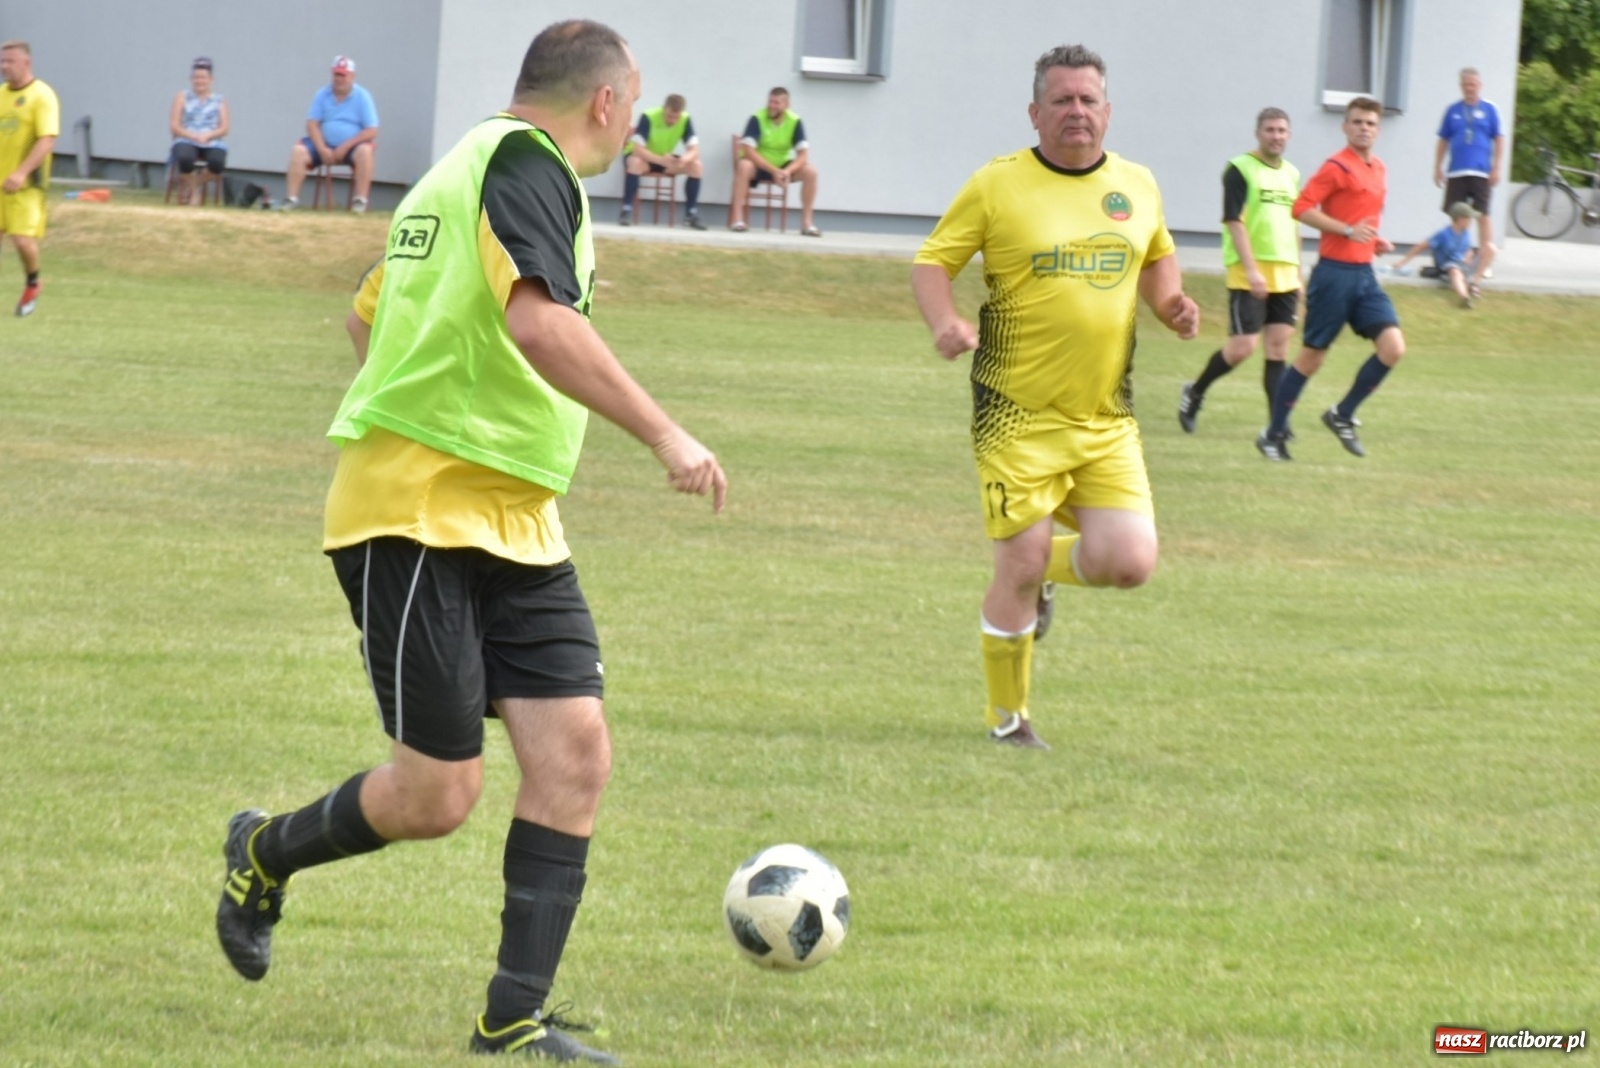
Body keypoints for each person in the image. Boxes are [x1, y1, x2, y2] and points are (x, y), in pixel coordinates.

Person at [214, 20, 727, 1064]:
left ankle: (513, 1021)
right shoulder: (525, 165)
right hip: (417, 515)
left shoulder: (456, 173)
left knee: (575, 755)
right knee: (436, 795)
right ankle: (261, 852)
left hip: (516, 519)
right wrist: (666, 432)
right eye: (632, 105)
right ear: (610, 101)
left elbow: (370, 315)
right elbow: (541, 323)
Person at [911, 45, 1199, 750]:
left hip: (1106, 419)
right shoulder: (998, 185)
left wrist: (1172, 304)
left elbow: (1156, 254)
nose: (1077, 112)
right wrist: (945, 321)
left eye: (1088, 100)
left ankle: (1045, 579)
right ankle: (1009, 721)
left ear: (1107, 110)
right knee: (1018, 560)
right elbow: (932, 261)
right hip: (1015, 415)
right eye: (1063, 100)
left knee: (1129, 562)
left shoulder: (1137, 184)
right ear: (1035, 111)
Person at [1260, 97, 1403, 462]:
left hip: (1365, 274)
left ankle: (1342, 413)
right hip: (1334, 275)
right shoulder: (1336, 166)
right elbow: (1301, 207)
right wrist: (1345, 230)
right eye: (1356, 122)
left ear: (1378, 128)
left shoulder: (1379, 168)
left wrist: (1375, 240)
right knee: (1311, 359)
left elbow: (1364, 219)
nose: (1363, 128)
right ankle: (1273, 434)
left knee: (1393, 347)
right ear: (1345, 127)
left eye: (1370, 123)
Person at [1178, 107, 1301, 435]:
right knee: (1242, 348)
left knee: (1278, 349)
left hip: (1285, 273)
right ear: (1258, 133)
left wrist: (1299, 273)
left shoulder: (1291, 173)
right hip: (1250, 272)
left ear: (1288, 135)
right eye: (1270, 130)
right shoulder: (1240, 170)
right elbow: (1233, 220)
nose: (1276, 136)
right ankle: (1195, 391)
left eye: (1282, 131)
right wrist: (1251, 270)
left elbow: (1294, 224)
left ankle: (1278, 425)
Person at [0, 40, 59, 318]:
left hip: (26, 186)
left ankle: (33, 283)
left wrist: (21, 172)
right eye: (2, 61)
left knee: (22, 241)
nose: (4, 66)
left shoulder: (42, 95)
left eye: (10, 61)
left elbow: (46, 140)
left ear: (26, 63)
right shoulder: (1, 94)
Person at [278, 55, 378, 212]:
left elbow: (372, 130)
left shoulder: (362, 96)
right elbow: (311, 124)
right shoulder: (322, 94)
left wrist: (345, 146)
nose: (339, 79)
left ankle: (360, 201)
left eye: (343, 75)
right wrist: (322, 148)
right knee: (298, 151)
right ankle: (291, 199)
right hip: (323, 144)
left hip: (352, 147)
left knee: (365, 152)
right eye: (336, 74)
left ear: (352, 76)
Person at [1433, 67, 1503, 276]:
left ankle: (1484, 261)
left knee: (1483, 215)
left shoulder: (1490, 109)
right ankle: (1456, 258)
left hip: (1481, 172)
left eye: (1473, 84)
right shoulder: (1452, 110)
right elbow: (1443, 140)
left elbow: (1499, 139)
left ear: (1479, 86)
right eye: (1465, 85)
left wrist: (1497, 167)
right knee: (1457, 216)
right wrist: (1438, 166)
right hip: (1456, 172)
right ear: (1461, 86)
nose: (1469, 88)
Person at [729, 87, 821, 236]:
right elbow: (748, 151)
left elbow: (803, 154)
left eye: (776, 103)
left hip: (782, 166)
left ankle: (807, 224)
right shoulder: (757, 118)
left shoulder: (795, 121)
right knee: (744, 165)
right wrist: (774, 171)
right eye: (770, 101)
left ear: (786, 105)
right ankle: (737, 220)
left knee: (811, 171)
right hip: (759, 164)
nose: (771, 106)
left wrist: (787, 171)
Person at [619, 92, 706, 229]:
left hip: (664, 159)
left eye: (676, 117)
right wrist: (661, 160)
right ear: (664, 109)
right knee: (635, 163)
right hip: (644, 159)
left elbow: (694, 150)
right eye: (669, 116)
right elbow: (637, 150)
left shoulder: (685, 119)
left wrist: (684, 159)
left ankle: (691, 214)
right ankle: (626, 210)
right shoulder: (648, 116)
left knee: (696, 166)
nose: (672, 120)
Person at [1388, 201, 1494, 309]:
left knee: (1490, 249)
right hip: (1448, 266)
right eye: (1469, 218)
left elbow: (1468, 249)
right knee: (1455, 271)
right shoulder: (1443, 234)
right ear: (1461, 219)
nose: (1471, 221)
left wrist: (1468, 256)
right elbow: (1421, 246)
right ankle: (1464, 298)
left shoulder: (1465, 232)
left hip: (1464, 264)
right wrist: (1402, 262)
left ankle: (1474, 284)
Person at [168, 56, 229, 206]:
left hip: (210, 140)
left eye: (203, 77)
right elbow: (174, 125)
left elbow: (224, 128)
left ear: (210, 79)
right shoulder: (182, 97)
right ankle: (195, 189)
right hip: (187, 137)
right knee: (185, 159)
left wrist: (208, 135)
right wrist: (192, 135)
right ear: (191, 79)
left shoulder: (219, 100)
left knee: (217, 163)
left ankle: (196, 185)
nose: (199, 81)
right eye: (196, 77)